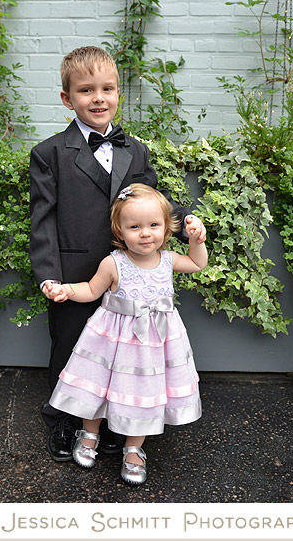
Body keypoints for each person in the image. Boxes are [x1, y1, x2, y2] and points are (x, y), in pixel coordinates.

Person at [28, 46, 206, 463]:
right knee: (72, 347)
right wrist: (49, 276)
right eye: (86, 90)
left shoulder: (135, 151)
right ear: (67, 98)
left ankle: (114, 423)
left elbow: (154, 203)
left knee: (121, 353)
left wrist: (187, 223)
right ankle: (63, 420)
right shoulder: (49, 152)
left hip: (129, 273)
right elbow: (42, 222)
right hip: (74, 270)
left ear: (118, 93)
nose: (98, 98)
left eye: (107, 88)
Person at [47, 183, 207, 485]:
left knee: (143, 395)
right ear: (120, 232)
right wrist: (66, 290)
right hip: (112, 338)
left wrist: (197, 239)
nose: (145, 233)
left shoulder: (170, 260)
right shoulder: (114, 263)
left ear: (167, 228)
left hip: (153, 343)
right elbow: (92, 290)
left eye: (153, 225)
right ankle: (89, 433)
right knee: (97, 386)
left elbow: (199, 263)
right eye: (134, 227)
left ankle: (134, 449)